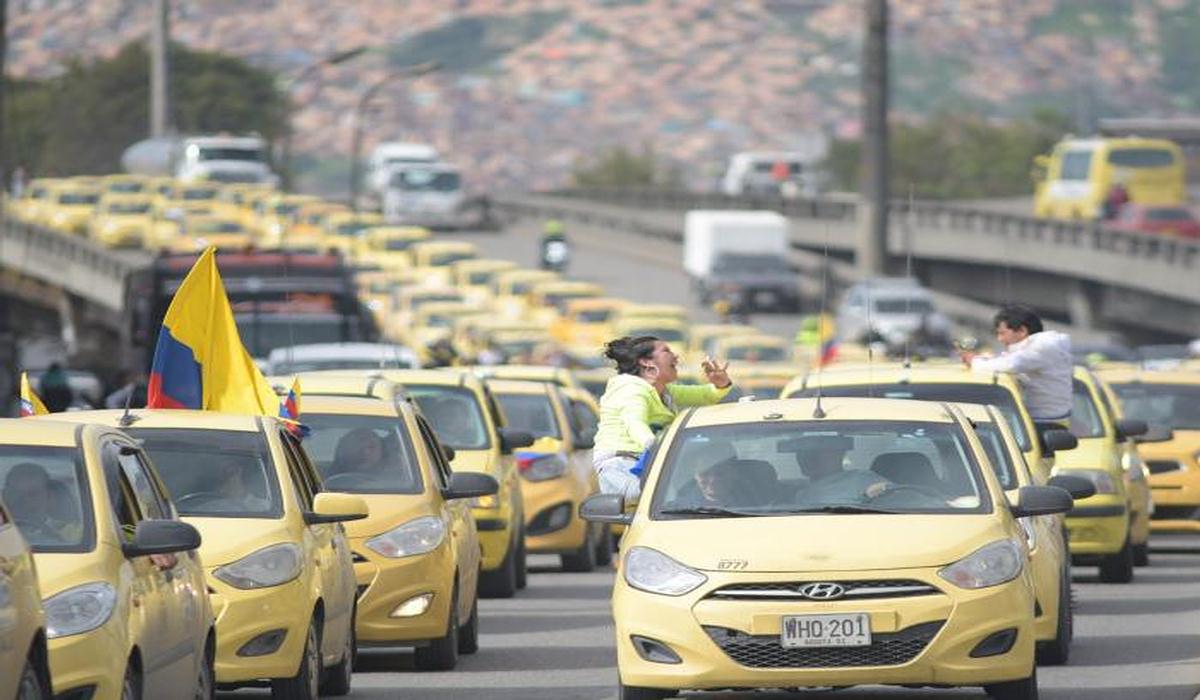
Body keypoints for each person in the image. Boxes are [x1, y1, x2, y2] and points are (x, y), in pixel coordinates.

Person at [593, 335, 733, 499]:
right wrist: (659, 449)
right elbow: (634, 423)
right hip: (622, 466)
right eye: (666, 351)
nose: (676, 356)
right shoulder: (631, 389)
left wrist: (721, 383)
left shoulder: (665, 392)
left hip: (651, 463)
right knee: (654, 501)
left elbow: (707, 395)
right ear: (646, 362)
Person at [959, 304, 1072, 425]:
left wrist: (974, 362)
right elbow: (1009, 360)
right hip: (1040, 419)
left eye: (1002, 333)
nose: (1000, 339)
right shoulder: (1038, 347)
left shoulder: (1044, 346)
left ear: (1022, 331)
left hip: (1047, 422)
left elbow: (1012, 364)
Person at [786, 436, 891, 506]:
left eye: (816, 453)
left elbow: (896, 495)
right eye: (802, 453)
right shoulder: (801, 495)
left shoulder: (860, 479)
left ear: (838, 455)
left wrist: (876, 492)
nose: (807, 458)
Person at [2, 462, 79, 545]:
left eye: (32, 493)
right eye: (16, 493)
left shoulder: (72, 533)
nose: (24, 500)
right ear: (4, 494)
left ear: (48, 496)